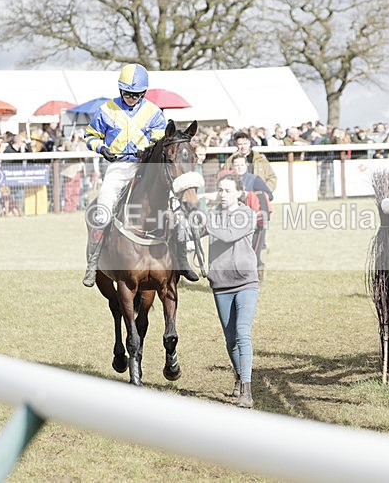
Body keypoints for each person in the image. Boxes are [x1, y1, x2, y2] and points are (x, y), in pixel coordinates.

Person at [82, 63, 198, 286]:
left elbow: (159, 141)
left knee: (176, 210)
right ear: (120, 90)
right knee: (103, 209)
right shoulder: (106, 110)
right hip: (118, 167)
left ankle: (183, 260)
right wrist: (101, 148)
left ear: (143, 93)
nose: (131, 98)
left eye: (136, 94)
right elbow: (91, 135)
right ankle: (93, 262)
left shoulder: (154, 112)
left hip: (146, 166)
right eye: (127, 93)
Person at [199, 172, 260, 408]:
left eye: (227, 191)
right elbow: (190, 233)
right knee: (230, 339)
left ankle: (246, 389)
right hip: (220, 284)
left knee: (243, 332)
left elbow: (228, 234)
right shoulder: (212, 215)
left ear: (238, 193)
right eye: (220, 190)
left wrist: (203, 217)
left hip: (245, 282)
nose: (223, 194)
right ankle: (237, 375)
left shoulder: (246, 215)